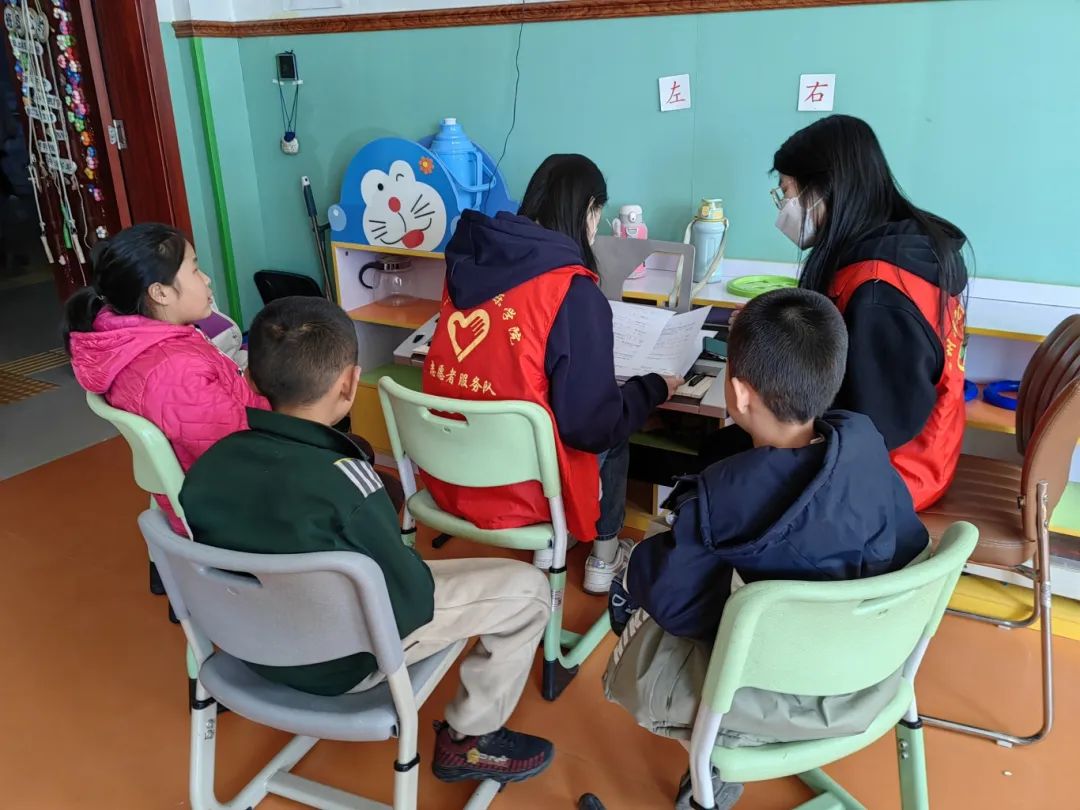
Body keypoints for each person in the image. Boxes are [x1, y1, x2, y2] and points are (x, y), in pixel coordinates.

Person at [179, 296, 556, 785]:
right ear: (349, 383)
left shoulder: (209, 466)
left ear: (251, 379)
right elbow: (410, 604)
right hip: (342, 666)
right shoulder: (349, 483)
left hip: (248, 646)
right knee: (530, 592)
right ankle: (471, 739)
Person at [603, 288, 928, 810]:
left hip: (783, 690)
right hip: (875, 675)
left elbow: (678, 606)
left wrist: (641, 566)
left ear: (738, 393)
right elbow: (907, 543)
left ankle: (720, 753)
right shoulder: (867, 448)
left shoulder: (722, 497)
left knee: (640, 602)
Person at [420, 154, 679, 594]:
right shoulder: (572, 291)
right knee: (612, 427)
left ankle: (552, 545)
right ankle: (603, 558)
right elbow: (591, 427)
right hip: (524, 493)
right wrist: (652, 388)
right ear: (589, 210)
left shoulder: (467, 265)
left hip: (447, 476)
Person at [770, 115, 969, 512]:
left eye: (786, 193)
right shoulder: (893, 251)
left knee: (733, 469)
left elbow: (878, 423)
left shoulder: (879, 289)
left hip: (894, 476)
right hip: (918, 455)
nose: (782, 209)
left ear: (825, 189)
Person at [65, 224, 267, 535]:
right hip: (230, 505)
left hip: (208, 484)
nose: (207, 279)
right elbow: (238, 457)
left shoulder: (132, 343)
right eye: (195, 270)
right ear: (160, 293)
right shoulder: (173, 371)